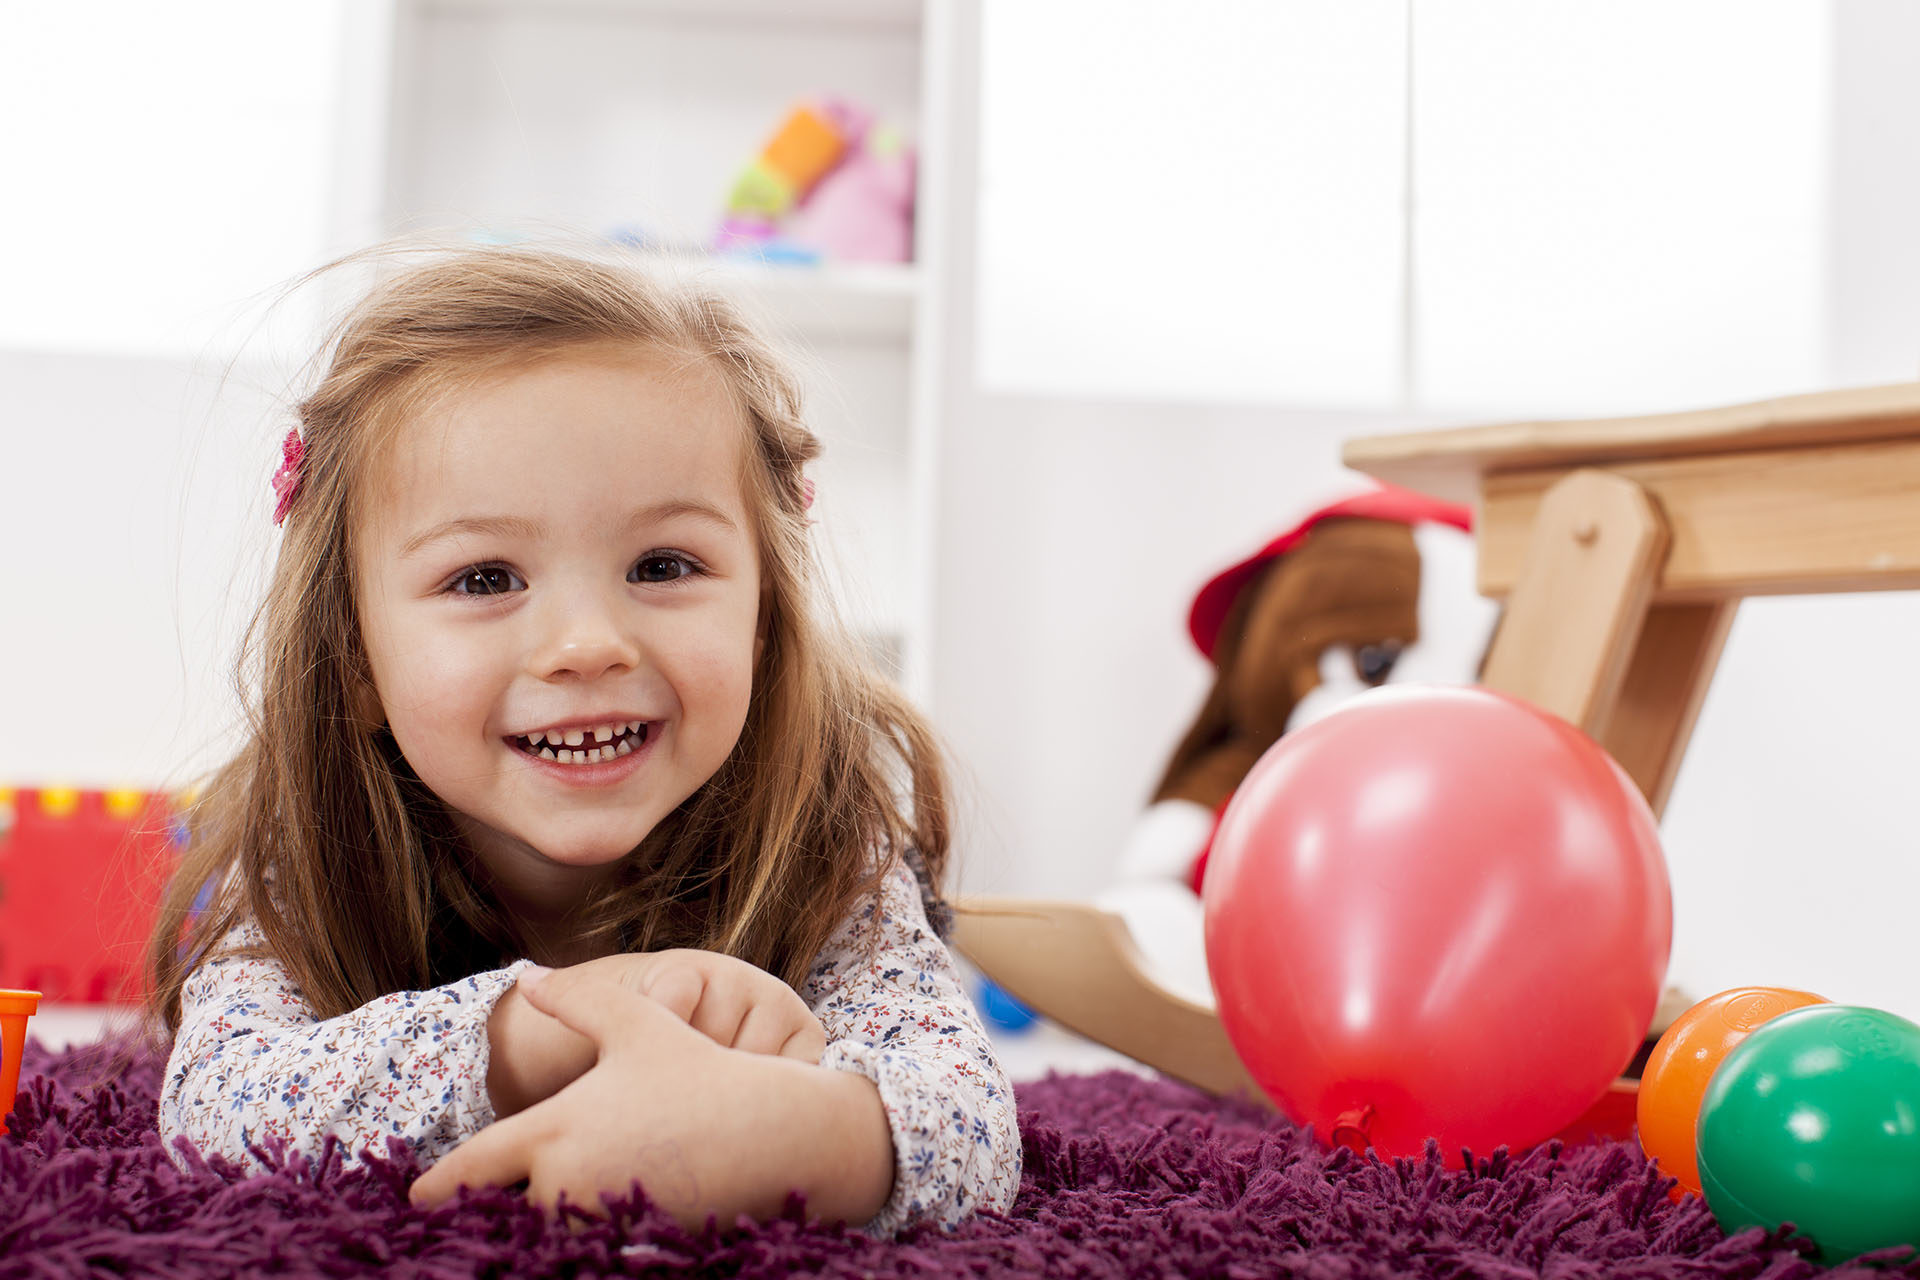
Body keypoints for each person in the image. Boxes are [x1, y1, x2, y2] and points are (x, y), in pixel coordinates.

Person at [145, 246, 1020, 1236]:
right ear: (354, 659)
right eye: (484, 578)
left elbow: (966, 1111)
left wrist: (809, 1135)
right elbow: (220, 1107)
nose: (587, 644)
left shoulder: (825, 836)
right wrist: (542, 1027)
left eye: (663, 562)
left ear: (766, 616)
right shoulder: (309, 849)